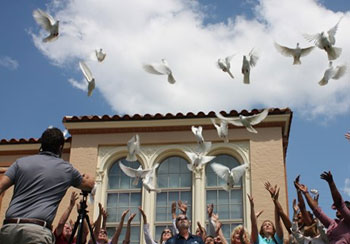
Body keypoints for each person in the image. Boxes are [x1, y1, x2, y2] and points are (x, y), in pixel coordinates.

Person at [0, 127, 95, 244]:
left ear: (42, 144)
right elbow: (90, 185)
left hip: (9, 229)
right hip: (36, 232)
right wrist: (87, 175)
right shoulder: (66, 169)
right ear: (60, 147)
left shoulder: (20, 163)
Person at [295, 171, 350, 244]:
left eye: (344, 209)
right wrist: (305, 193)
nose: (337, 209)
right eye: (336, 209)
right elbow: (318, 212)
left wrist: (331, 183)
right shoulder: (334, 224)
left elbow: (339, 204)